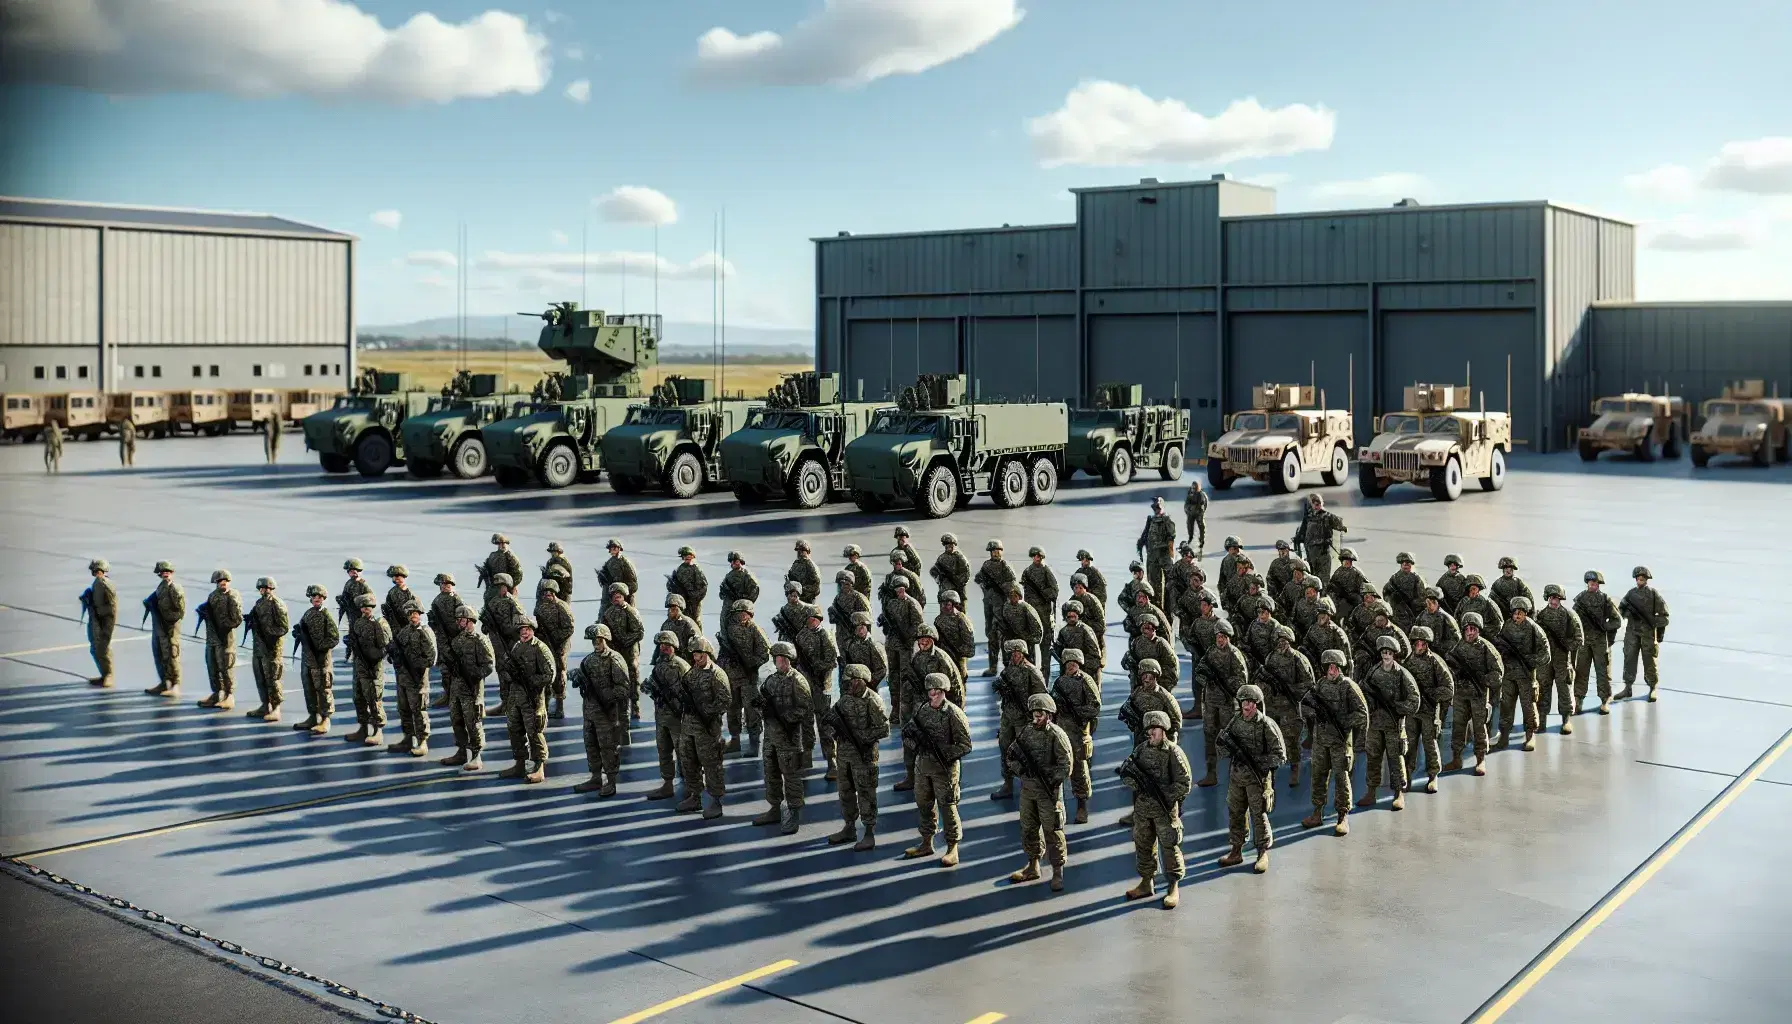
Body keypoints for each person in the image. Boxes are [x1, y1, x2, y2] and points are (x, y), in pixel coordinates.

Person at [1122, 709, 1194, 905]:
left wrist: (1164, 794)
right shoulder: (1141, 750)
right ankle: (1147, 882)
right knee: (1143, 845)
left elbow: (1184, 783)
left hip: (1165, 809)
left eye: (1155, 729)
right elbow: (1127, 772)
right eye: (1149, 729)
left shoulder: (1173, 752)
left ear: (1164, 730)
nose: (1151, 733)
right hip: (1143, 809)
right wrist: (1139, 784)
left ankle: (1173, 886)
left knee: (1169, 846)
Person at [1005, 693, 1073, 892]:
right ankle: (1033, 865)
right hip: (1028, 789)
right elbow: (1011, 754)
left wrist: (1050, 777)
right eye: (1034, 713)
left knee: (1053, 831)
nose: (1036, 717)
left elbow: (1066, 765)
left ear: (1049, 715)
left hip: (1048, 792)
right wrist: (1022, 770)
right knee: (1028, 828)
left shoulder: (1056, 735)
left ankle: (1058, 871)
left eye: (1040, 713)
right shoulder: (1026, 732)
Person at [902, 673, 973, 866]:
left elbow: (965, 745)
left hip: (945, 769)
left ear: (943, 692)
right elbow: (907, 733)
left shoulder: (953, 713)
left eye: (936, 691)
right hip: (923, 766)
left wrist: (944, 752)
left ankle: (952, 848)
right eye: (930, 691)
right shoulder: (922, 710)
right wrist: (917, 746)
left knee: (948, 807)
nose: (932, 694)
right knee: (924, 804)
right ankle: (927, 842)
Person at [1215, 684, 1285, 874]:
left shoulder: (1266, 725)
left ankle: (1262, 852)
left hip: (1258, 779)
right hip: (1237, 776)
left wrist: (1258, 761)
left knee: (1258, 814)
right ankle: (1236, 850)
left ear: (1256, 704)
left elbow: (1279, 755)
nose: (1247, 706)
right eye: (1244, 702)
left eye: (1250, 702)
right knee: (1235, 812)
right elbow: (1223, 743)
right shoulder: (1236, 721)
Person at [1300, 650, 1368, 836]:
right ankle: (1317, 812)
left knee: (1341, 778)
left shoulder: (1348, 687)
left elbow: (1362, 714)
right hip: (1321, 741)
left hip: (1340, 742)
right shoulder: (1319, 685)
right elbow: (1304, 706)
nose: (1332, 670)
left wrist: (1343, 721)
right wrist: (1315, 715)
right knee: (1318, 777)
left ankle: (1342, 816)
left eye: (1335, 667)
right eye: (1329, 667)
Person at [825, 663, 890, 851]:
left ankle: (869, 832)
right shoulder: (845, 701)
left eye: (855, 681)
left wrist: (862, 737)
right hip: (844, 755)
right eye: (849, 681)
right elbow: (830, 721)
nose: (851, 684)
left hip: (864, 757)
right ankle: (849, 827)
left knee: (866, 793)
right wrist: (835, 732)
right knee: (845, 792)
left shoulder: (873, 701)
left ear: (863, 681)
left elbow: (883, 729)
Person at [750, 643, 812, 836]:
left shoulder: (798, 681)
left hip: (789, 737)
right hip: (770, 736)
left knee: (791, 775)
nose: (781, 662)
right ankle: (775, 808)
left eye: (784, 659)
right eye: (778, 659)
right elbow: (759, 703)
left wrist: (786, 717)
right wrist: (764, 710)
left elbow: (804, 709)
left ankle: (793, 812)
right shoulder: (770, 681)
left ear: (790, 660)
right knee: (771, 773)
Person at [1357, 636, 1421, 810]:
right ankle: (1371, 792)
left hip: (1394, 725)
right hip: (1375, 725)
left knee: (1396, 758)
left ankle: (1399, 792)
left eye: (1389, 652)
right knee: (1373, 758)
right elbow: (1362, 693)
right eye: (1383, 652)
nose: (1386, 655)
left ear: (1394, 655)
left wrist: (1397, 707)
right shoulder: (1373, 672)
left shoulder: (1402, 674)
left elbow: (1414, 701)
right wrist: (1371, 706)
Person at [572, 623, 631, 796]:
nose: (596, 643)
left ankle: (611, 781)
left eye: (599, 640)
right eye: (594, 641)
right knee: (591, 744)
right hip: (589, 711)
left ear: (606, 639)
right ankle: (595, 777)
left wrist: (607, 696)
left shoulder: (614, 659)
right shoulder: (589, 660)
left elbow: (624, 688)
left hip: (607, 713)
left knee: (608, 747)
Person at [676, 637, 731, 819]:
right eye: (694, 655)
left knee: (711, 765)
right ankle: (695, 796)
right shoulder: (692, 673)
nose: (696, 659)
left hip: (707, 729)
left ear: (706, 653)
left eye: (699, 655)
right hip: (689, 727)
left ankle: (716, 802)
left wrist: (705, 710)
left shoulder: (716, 674)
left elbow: (725, 701)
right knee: (688, 762)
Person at [1444, 612, 1503, 776]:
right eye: (1468, 629)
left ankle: (1480, 759)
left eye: (1474, 629)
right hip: (1461, 695)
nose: (1470, 632)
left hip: (1478, 694)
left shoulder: (1486, 648)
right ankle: (1456, 758)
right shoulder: (1457, 648)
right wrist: (1456, 675)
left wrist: (1483, 680)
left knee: (1479, 727)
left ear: (1479, 630)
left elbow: (1498, 673)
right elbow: (1448, 669)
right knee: (1458, 726)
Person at [989, 639, 1047, 800]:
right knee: (1005, 749)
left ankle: (1027, 786)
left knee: (1025, 753)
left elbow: (1042, 695)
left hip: (1024, 718)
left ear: (1023, 654)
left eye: (1017, 653)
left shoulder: (1032, 671)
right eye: (1012, 654)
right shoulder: (1007, 672)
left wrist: (1035, 716)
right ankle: (1007, 784)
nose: (1014, 656)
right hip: (1008, 716)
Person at [1050, 648, 1102, 824]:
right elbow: (1052, 705)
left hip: (1078, 732)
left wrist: (1077, 712)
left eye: (1075, 663)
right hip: (1061, 729)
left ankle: (1082, 805)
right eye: (1069, 663)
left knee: (1079, 769)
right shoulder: (1059, 682)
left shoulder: (1085, 681)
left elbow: (1095, 706)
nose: (1072, 666)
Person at [501, 615, 555, 784]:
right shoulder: (517, 647)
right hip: (516, 697)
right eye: (521, 630)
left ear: (532, 630)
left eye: (527, 629)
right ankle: (520, 764)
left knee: (534, 732)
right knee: (514, 729)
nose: (524, 632)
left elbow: (549, 675)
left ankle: (539, 767)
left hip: (533, 698)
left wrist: (532, 681)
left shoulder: (540, 648)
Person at [1402, 626, 1455, 793]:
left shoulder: (1435, 662)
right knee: (1408, 744)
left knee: (1429, 744)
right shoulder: (1408, 661)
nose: (1419, 646)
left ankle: (1433, 776)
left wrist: (1431, 693)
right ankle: (1407, 776)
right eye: (1416, 643)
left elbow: (1448, 688)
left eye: (1422, 643)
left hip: (1429, 711)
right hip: (1412, 712)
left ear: (1427, 644)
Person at [441, 604, 492, 770]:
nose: (458, 622)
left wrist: (473, 673)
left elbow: (489, 665)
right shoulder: (457, 640)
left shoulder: (480, 640)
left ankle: (476, 755)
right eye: (457, 619)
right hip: (457, 688)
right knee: (456, 719)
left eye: (461, 619)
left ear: (470, 620)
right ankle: (462, 751)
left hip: (472, 689)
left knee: (473, 722)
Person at [719, 599, 772, 756]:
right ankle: (735, 741)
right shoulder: (730, 629)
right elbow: (723, 653)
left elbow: (764, 652)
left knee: (752, 711)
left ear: (750, 615)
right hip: (732, 676)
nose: (742, 616)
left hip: (749, 678)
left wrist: (751, 663)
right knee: (732, 709)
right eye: (739, 613)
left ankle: (754, 745)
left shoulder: (755, 630)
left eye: (745, 613)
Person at [644, 631, 691, 801]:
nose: (663, 648)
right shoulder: (658, 665)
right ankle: (668, 783)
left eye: (667, 645)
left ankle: (689, 786)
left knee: (683, 752)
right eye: (661, 646)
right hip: (661, 716)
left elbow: (690, 692)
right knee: (663, 751)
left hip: (678, 718)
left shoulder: (681, 666)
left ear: (674, 647)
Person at [1535, 584, 1585, 734]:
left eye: (1556, 598)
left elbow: (1579, 639)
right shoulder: (1541, 616)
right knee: (1543, 688)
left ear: (1560, 599)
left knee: (1564, 689)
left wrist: (1566, 645)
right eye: (1551, 597)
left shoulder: (1569, 615)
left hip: (1562, 659)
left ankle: (1566, 719)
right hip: (1545, 660)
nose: (1553, 600)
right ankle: (1541, 720)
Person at [343, 593, 390, 746]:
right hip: (359, 666)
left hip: (372, 667)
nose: (365, 609)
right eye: (363, 607)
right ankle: (363, 728)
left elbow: (385, 647)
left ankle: (378, 731)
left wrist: (372, 656)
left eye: (368, 607)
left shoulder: (380, 623)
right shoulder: (358, 623)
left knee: (374, 699)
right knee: (358, 697)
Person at [1573, 570, 1622, 714]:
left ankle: (1604, 700)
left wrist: (1604, 627)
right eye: (1591, 582)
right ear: (1587, 583)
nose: (1593, 585)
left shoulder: (1604, 600)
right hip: (1584, 642)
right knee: (1581, 671)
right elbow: (1574, 620)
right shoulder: (1580, 599)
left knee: (1603, 672)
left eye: (1595, 583)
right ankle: (1578, 699)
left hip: (1600, 641)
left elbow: (1617, 620)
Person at [293, 584, 340, 735]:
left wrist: (320, 647)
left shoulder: (326, 616)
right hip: (307, 659)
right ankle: (313, 716)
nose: (317, 599)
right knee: (309, 689)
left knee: (323, 689)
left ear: (324, 599)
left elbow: (334, 638)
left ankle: (325, 719)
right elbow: (300, 629)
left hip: (321, 660)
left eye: (320, 597)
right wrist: (298, 634)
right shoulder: (308, 614)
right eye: (314, 597)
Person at [1618, 566, 1669, 702]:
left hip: (1648, 634)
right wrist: (1628, 614)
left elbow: (1664, 615)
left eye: (1643, 579)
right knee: (1629, 659)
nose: (1640, 581)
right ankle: (1628, 687)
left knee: (1649, 661)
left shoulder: (1653, 594)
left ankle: (1653, 687)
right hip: (1632, 633)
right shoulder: (1631, 594)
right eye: (1639, 579)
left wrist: (1653, 622)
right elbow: (1621, 609)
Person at [244, 577, 290, 723]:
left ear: (271, 589)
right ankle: (265, 704)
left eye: (266, 588)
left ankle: (276, 708)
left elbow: (283, 627)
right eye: (261, 588)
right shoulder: (259, 603)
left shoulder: (277, 604)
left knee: (273, 679)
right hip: (259, 647)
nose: (263, 590)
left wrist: (267, 632)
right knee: (260, 677)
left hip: (271, 649)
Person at [197, 569, 244, 711]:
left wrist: (223, 626)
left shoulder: (233, 596)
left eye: (225, 581)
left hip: (225, 638)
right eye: (219, 581)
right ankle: (217, 693)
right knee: (212, 666)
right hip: (212, 638)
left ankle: (229, 695)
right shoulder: (213, 596)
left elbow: (237, 619)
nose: (223, 583)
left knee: (226, 667)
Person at [601, 582, 646, 723]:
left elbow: (640, 632)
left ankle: (635, 705)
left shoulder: (631, 612)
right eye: (614, 597)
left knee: (632, 671)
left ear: (624, 597)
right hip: (616, 648)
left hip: (630, 648)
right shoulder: (608, 613)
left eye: (619, 596)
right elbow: (604, 631)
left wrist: (625, 641)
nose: (616, 599)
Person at [973, 540, 1016, 675]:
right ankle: (993, 667)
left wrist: (1001, 587)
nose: (995, 553)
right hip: (989, 607)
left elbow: (1012, 582)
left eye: (997, 551)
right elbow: (978, 578)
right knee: (991, 638)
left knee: (1004, 638)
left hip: (1001, 608)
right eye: (993, 551)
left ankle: (1007, 666)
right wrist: (985, 585)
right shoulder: (986, 565)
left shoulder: (1005, 566)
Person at [534, 579, 575, 720]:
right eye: (545, 593)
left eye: (550, 593)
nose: (547, 595)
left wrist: (556, 638)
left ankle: (559, 707)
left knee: (559, 674)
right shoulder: (540, 607)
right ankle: (544, 704)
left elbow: (569, 628)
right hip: (545, 644)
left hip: (560, 646)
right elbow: (538, 625)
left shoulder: (562, 607)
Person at [82, 558, 117, 688]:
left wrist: (108, 627)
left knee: (103, 648)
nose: (95, 572)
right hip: (96, 617)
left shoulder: (105, 584)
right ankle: (104, 674)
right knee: (95, 648)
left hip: (104, 620)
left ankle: (108, 675)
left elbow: (112, 608)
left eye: (97, 570)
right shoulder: (97, 583)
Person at [1136, 496, 1177, 601]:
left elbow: (1171, 537)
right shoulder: (1151, 520)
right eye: (1155, 508)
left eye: (1158, 507)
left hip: (1164, 556)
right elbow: (1146, 536)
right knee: (1153, 584)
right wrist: (1140, 544)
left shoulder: (1167, 520)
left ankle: (1168, 610)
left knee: (1169, 584)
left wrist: (1171, 555)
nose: (1156, 510)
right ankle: (1157, 607)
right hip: (1152, 557)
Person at [481, 533, 524, 608]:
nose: (502, 545)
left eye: (504, 543)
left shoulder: (511, 556)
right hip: (494, 587)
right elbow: (488, 572)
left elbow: (518, 573)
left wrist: (512, 585)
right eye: (500, 543)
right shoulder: (492, 556)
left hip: (508, 588)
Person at [669, 546, 710, 623]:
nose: (688, 558)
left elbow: (703, 586)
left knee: (695, 621)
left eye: (689, 556)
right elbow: (674, 585)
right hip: (683, 601)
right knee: (683, 620)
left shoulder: (696, 569)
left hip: (694, 602)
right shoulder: (680, 569)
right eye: (685, 556)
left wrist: (694, 597)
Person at [930, 534, 970, 608]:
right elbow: (933, 571)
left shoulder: (960, 557)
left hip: (958, 592)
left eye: (951, 545)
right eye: (947, 545)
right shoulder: (941, 558)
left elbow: (966, 574)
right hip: (945, 591)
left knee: (959, 614)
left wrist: (958, 582)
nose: (949, 547)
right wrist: (939, 578)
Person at [597, 538, 639, 606]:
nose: (612, 550)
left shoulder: (625, 562)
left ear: (619, 548)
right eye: (611, 548)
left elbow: (634, 585)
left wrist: (622, 592)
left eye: (614, 547)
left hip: (626, 599)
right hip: (613, 599)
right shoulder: (609, 563)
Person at [786, 540, 821, 604]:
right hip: (795, 599)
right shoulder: (796, 563)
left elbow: (816, 584)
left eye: (802, 550)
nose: (800, 553)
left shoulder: (810, 565)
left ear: (807, 551)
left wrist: (801, 590)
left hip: (807, 600)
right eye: (798, 550)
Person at [1183, 479, 1208, 556]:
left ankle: (1202, 540)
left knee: (1201, 526)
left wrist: (1201, 512)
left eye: (1195, 487)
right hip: (1191, 513)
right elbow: (1186, 503)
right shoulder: (1189, 493)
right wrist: (1187, 510)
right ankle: (1190, 537)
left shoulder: (1201, 495)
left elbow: (1202, 505)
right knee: (1189, 525)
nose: (1193, 489)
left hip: (1198, 513)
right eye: (1192, 487)